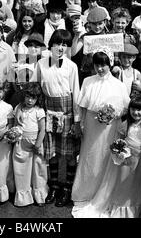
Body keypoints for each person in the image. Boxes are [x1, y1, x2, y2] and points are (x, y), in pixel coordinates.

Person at [71, 48, 130, 217]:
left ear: (110, 64)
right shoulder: (88, 81)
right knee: (89, 156)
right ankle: (85, 192)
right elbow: (81, 105)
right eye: (97, 65)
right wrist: (78, 123)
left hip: (110, 127)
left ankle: (104, 194)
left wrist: (112, 114)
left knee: (105, 157)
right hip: (91, 124)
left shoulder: (118, 84)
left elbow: (125, 107)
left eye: (104, 65)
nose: (100, 69)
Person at [33, 29, 81, 207]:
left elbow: (76, 93)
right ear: (51, 44)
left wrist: (77, 121)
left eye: (65, 45)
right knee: (51, 153)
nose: (60, 47)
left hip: (67, 112)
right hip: (48, 111)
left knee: (68, 154)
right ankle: (53, 186)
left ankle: (67, 188)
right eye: (57, 43)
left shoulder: (72, 66)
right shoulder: (41, 64)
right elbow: (36, 88)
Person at [106, 95, 141, 218]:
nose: (136, 113)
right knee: (124, 184)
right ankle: (122, 209)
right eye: (133, 109)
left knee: (137, 185)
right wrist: (119, 151)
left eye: (139, 110)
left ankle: (136, 208)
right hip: (127, 160)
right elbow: (120, 141)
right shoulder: (125, 124)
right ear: (129, 109)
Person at [12, 83, 48, 207]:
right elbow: (15, 124)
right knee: (21, 170)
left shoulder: (39, 111)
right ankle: (23, 196)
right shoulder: (18, 108)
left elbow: (43, 129)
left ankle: (39, 195)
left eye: (33, 98)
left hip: (35, 144)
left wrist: (38, 144)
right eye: (27, 97)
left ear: (37, 99)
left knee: (38, 170)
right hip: (21, 143)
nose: (30, 100)